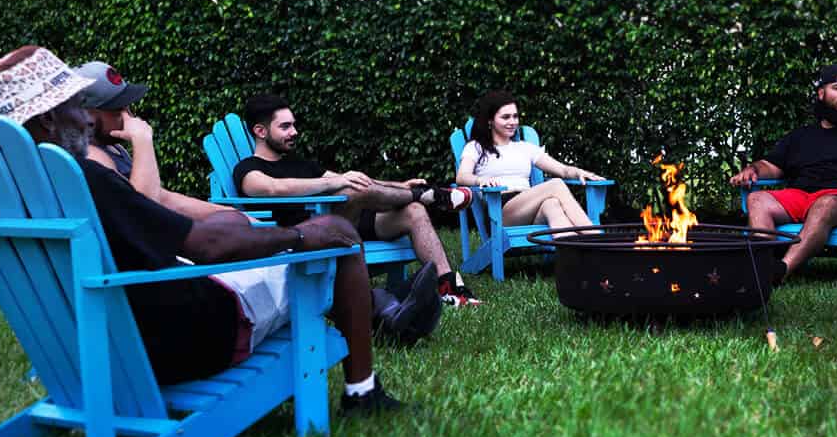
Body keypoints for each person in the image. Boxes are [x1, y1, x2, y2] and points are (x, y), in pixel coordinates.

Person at [0, 46, 403, 415]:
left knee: (266, 238)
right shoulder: (86, 178)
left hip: (95, 346)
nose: (86, 120)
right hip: (188, 336)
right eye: (75, 106)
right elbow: (209, 248)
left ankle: (381, 311)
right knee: (338, 238)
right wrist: (301, 238)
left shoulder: (5, 193)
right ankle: (362, 392)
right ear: (48, 120)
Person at [234, 93, 482, 307]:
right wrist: (335, 182)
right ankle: (434, 197)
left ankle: (448, 288)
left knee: (413, 210)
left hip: (341, 224)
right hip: (303, 238)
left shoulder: (299, 163)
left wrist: (399, 186)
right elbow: (273, 189)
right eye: (285, 127)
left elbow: (354, 182)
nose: (294, 132)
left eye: (293, 125)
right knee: (351, 190)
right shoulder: (247, 169)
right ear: (260, 131)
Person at [729, 64, 837, 283]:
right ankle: (763, 266)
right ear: (821, 93)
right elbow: (771, 165)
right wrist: (753, 170)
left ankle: (780, 271)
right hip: (801, 196)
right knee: (757, 199)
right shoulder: (801, 136)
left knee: (825, 204)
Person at [454, 90, 605, 231]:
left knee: (552, 206)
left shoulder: (526, 148)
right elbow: (462, 176)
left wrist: (578, 172)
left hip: (529, 206)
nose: (512, 122)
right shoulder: (476, 147)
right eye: (505, 117)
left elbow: (562, 170)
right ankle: (596, 239)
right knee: (556, 185)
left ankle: (575, 257)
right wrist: (481, 180)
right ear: (490, 120)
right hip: (499, 210)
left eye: (515, 116)